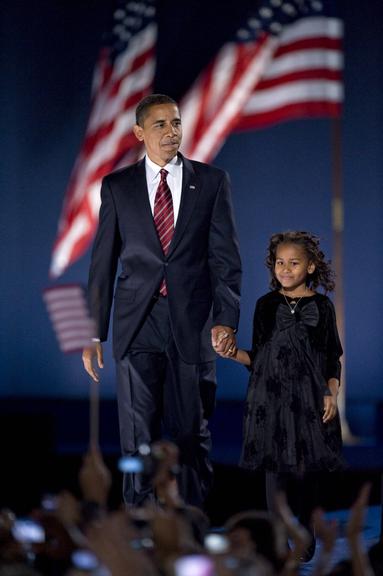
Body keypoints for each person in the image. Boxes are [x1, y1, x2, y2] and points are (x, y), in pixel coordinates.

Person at [82, 94, 242, 509]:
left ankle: (190, 526)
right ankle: (140, 528)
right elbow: (102, 263)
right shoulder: (117, 187)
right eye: (160, 125)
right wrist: (92, 332)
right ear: (139, 133)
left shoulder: (211, 181)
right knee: (137, 438)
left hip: (192, 324)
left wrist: (226, 320)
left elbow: (226, 260)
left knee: (191, 433)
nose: (172, 132)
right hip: (137, 323)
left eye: (176, 123)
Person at [216, 230, 345, 561]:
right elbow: (258, 357)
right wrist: (232, 354)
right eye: (279, 262)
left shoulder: (323, 306)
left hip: (310, 398)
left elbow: (332, 358)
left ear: (311, 267)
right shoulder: (265, 305)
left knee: (307, 470)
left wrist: (331, 393)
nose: (285, 269)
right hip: (269, 396)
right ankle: (277, 536)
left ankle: (305, 530)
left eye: (294, 263)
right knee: (274, 470)